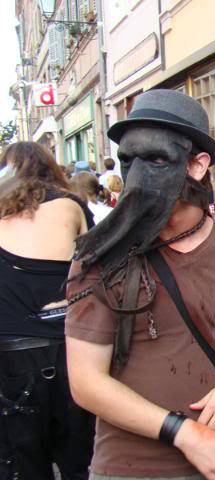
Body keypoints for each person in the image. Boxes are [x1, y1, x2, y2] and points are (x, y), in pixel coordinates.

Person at [64, 90, 215, 480]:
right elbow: (85, 382)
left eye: (156, 159)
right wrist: (184, 433)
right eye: (128, 161)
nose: (136, 176)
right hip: (127, 469)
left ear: (198, 166)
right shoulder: (100, 257)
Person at [0, 142, 95, 480]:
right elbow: (98, 264)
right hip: (70, 347)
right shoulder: (72, 206)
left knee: (24, 463)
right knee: (78, 459)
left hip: (11, 354)